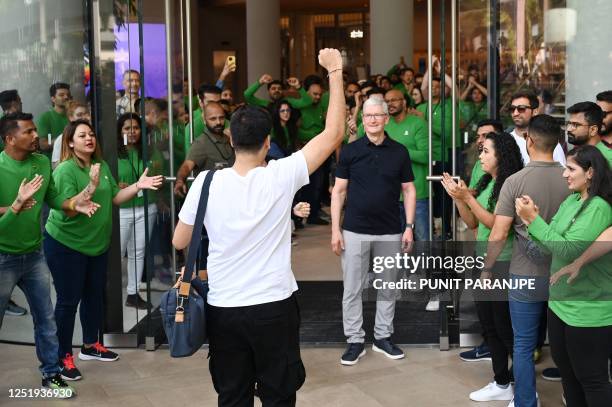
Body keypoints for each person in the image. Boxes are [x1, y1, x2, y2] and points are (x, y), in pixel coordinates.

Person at [172, 48, 345, 406]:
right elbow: (333, 133)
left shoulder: (205, 183)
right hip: (273, 305)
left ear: (231, 140)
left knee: (232, 394)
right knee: (279, 394)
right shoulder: (281, 176)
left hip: (225, 308)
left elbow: (180, 239)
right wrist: (335, 71)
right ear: (268, 143)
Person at [43, 120, 163, 381]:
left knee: (94, 297)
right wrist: (92, 186)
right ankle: (62, 356)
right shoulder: (65, 170)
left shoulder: (101, 166)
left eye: (92, 134)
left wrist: (137, 187)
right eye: (82, 135)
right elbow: (69, 205)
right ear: (70, 142)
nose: (89, 138)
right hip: (66, 245)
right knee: (67, 302)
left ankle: (90, 346)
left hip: (96, 245)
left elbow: (114, 199)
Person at [0, 112, 100, 396]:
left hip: (34, 254)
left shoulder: (41, 162)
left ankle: (51, 374)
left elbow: (54, 199)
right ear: (10, 139)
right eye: (28, 132)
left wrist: (74, 204)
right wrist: (17, 205)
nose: (36, 136)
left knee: (46, 318)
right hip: (2, 257)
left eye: (35, 131)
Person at [515, 145, 612, 407]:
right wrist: (531, 221)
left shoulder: (599, 208)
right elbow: (551, 244)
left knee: (592, 379)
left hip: (588, 309)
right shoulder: (571, 200)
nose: (564, 175)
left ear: (590, 173)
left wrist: (533, 219)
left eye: (571, 169)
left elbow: (568, 250)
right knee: (568, 376)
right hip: (559, 303)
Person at [485, 114, 571, 407]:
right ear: (558, 141)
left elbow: (498, 233)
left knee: (522, 345)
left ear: (528, 140)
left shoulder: (515, 181)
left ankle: (525, 401)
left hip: (525, 274)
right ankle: (571, 395)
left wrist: (487, 267)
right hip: (565, 274)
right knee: (564, 343)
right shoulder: (571, 178)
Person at [331, 96, 416, 365]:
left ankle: (382, 337)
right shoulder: (350, 151)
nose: (372, 120)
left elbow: (409, 189)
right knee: (352, 288)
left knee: (387, 287)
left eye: (377, 115)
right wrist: (335, 230)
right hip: (354, 230)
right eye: (367, 116)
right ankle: (355, 340)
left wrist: (409, 227)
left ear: (386, 118)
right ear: (362, 119)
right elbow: (338, 191)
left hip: (391, 230)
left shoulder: (399, 152)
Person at [441, 132, 523, 402]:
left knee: (504, 328)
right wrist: (458, 198)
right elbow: (474, 223)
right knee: (489, 327)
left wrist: (469, 197)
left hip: (501, 263)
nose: (481, 157)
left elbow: (495, 224)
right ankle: (501, 382)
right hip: (482, 260)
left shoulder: (511, 184)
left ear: (502, 154)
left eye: (486, 151)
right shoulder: (487, 181)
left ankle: (523, 388)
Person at [117, 113, 164, 308]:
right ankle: (106, 294)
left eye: (135, 128)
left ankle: (133, 294)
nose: (132, 132)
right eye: (127, 128)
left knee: (138, 252)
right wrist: (116, 185)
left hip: (147, 207)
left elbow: (159, 176)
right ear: (119, 132)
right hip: (122, 209)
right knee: (117, 253)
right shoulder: (113, 153)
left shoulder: (150, 151)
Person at [383, 89, 429, 241]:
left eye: (394, 100)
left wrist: (399, 150)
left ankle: (424, 266)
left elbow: (426, 156)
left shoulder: (418, 123)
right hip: (391, 194)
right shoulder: (384, 124)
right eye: (387, 101)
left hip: (418, 193)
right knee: (396, 240)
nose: (390, 104)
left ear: (404, 102)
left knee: (422, 239)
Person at [174, 102, 235, 197]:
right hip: (212, 198)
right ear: (204, 120)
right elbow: (187, 165)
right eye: (213, 119)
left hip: (232, 195)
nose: (218, 122)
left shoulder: (230, 139)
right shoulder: (201, 143)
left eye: (221, 118)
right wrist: (180, 181)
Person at [508, 90, 566, 166]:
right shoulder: (505, 140)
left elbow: (561, 172)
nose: (515, 113)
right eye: (512, 109)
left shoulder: (548, 141)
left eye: (521, 109)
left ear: (535, 111)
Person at [565, 101, 611, 166]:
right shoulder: (576, 152)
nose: (568, 129)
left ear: (593, 130)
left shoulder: (608, 158)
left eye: (576, 125)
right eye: (569, 123)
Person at [51, 100, 91, 168]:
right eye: (79, 115)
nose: (84, 117)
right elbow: (55, 166)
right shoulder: (62, 138)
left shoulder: (91, 135)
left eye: (86, 113)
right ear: (71, 117)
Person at [36, 82, 71, 158]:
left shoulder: (74, 116)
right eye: (61, 95)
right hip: (53, 166)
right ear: (53, 99)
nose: (66, 97)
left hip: (73, 162)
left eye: (68, 95)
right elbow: (43, 145)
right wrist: (66, 140)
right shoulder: (45, 117)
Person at [184, 84, 222, 153]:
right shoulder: (192, 128)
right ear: (201, 102)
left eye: (218, 102)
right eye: (210, 102)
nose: (215, 106)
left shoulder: (229, 123)